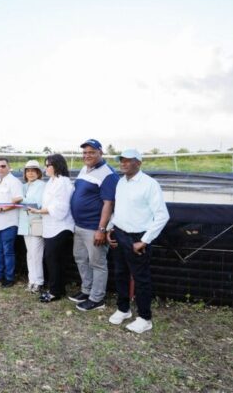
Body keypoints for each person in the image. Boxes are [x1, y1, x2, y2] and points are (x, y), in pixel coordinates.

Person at [107, 149, 169, 334]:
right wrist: (111, 228)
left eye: (128, 160)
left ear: (138, 163)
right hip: (119, 233)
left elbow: (162, 215)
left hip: (138, 237)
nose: (123, 163)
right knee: (120, 273)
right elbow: (119, 209)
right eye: (122, 160)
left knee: (141, 279)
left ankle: (144, 317)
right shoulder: (121, 183)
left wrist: (144, 240)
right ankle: (123, 309)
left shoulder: (150, 184)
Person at [70, 139, 120, 311]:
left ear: (100, 152)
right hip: (79, 225)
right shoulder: (85, 169)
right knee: (81, 258)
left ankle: (97, 298)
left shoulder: (108, 174)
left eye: (91, 152)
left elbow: (108, 203)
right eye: (84, 152)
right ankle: (86, 290)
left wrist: (101, 229)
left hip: (94, 227)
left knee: (97, 263)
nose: (87, 155)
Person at [34, 154, 75, 303]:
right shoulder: (52, 181)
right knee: (52, 259)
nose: (45, 168)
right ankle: (56, 288)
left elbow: (61, 208)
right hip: (50, 226)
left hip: (60, 227)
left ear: (56, 166)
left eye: (47, 165)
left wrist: (40, 211)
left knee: (53, 259)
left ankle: (55, 291)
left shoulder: (63, 183)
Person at [0, 158, 24, 288]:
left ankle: (9, 277)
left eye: (3, 166)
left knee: (8, 251)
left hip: (9, 222)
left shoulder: (14, 182)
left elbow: (17, 201)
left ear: (9, 167)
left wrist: (1, 209)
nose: (0, 169)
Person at [17, 160, 46, 293]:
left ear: (38, 172)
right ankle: (31, 280)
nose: (30, 173)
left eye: (33, 171)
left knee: (36, 254)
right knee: (30, 254)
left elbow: (38, 204)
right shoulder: (23, 186)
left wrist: (21, 201)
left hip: (36, 223)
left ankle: (39, 282)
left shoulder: (42, 185)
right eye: (28, 171)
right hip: (25, 224)